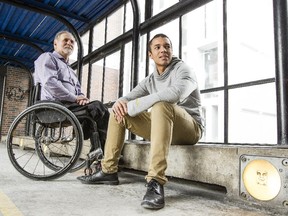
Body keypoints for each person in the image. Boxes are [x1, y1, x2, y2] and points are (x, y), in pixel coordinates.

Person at [77, 33, 204, 209]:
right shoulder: (150, 80)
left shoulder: (183, 70)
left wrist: (134, 105)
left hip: (190, 129)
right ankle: (108, 170)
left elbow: (175, 95)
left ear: (172, 50)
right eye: (157, 47)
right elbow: (126, 98)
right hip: (164, 127)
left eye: (167, 46)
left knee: (161, 105)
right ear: (150, 55)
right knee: (117, 110)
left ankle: (155, 181)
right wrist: (122, 103)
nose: (163, 50)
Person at [33, 30, 109, 150]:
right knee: (98, 107)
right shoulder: (47, 57)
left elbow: (79, 91)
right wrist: (75, 98)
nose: (69, 43)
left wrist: (82, 99)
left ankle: (98, 149)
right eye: (65, 40)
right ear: (55, 44)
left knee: (100, 108)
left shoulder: (71, 71)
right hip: (53, 106)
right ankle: (98, 150)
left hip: (70, 106)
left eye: (72, 41)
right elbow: (50, 83)